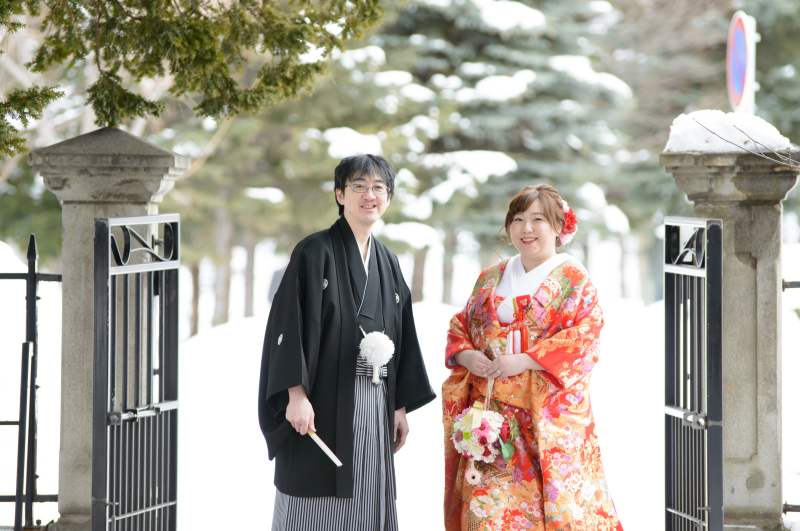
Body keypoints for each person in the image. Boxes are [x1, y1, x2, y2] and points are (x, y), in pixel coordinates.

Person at [258, 154, 436, 531]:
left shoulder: (388, 261)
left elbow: (402, 334)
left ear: (388, 197)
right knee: (314, 492)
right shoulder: (314, 252)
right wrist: (295, 394)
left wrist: (399, 404)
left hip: (374, 401)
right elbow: (287, 325)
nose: (369, 195)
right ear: (340, 194)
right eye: (358, 186)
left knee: (368, 489)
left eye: (378, 188)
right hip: (320, 398)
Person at [442, 184, 623, 530]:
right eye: (519, 219)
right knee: (487, 515)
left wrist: (525, 360)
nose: (526, 228)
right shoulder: (491, 277)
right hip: (491, 424)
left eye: (538, 219)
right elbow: (460, 325)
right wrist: (466, 355)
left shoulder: (573, 280)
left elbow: (584, 338)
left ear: (559, 226)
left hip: (545, 423)